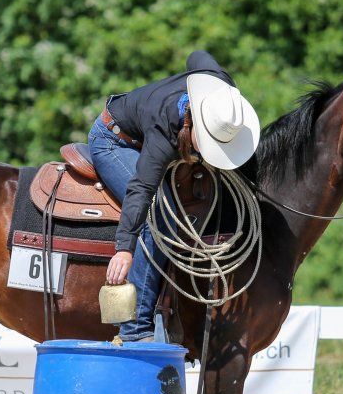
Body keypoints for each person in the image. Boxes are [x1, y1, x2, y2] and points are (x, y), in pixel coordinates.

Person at [88, 50, 260, 342]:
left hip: (151, 121)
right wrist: (124, 247)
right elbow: (141, 189)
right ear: (193, 126)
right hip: (114, 140)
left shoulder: (222, 92)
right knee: (160, 216)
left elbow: (198, 56)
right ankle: (135, 328)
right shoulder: (163, 130)